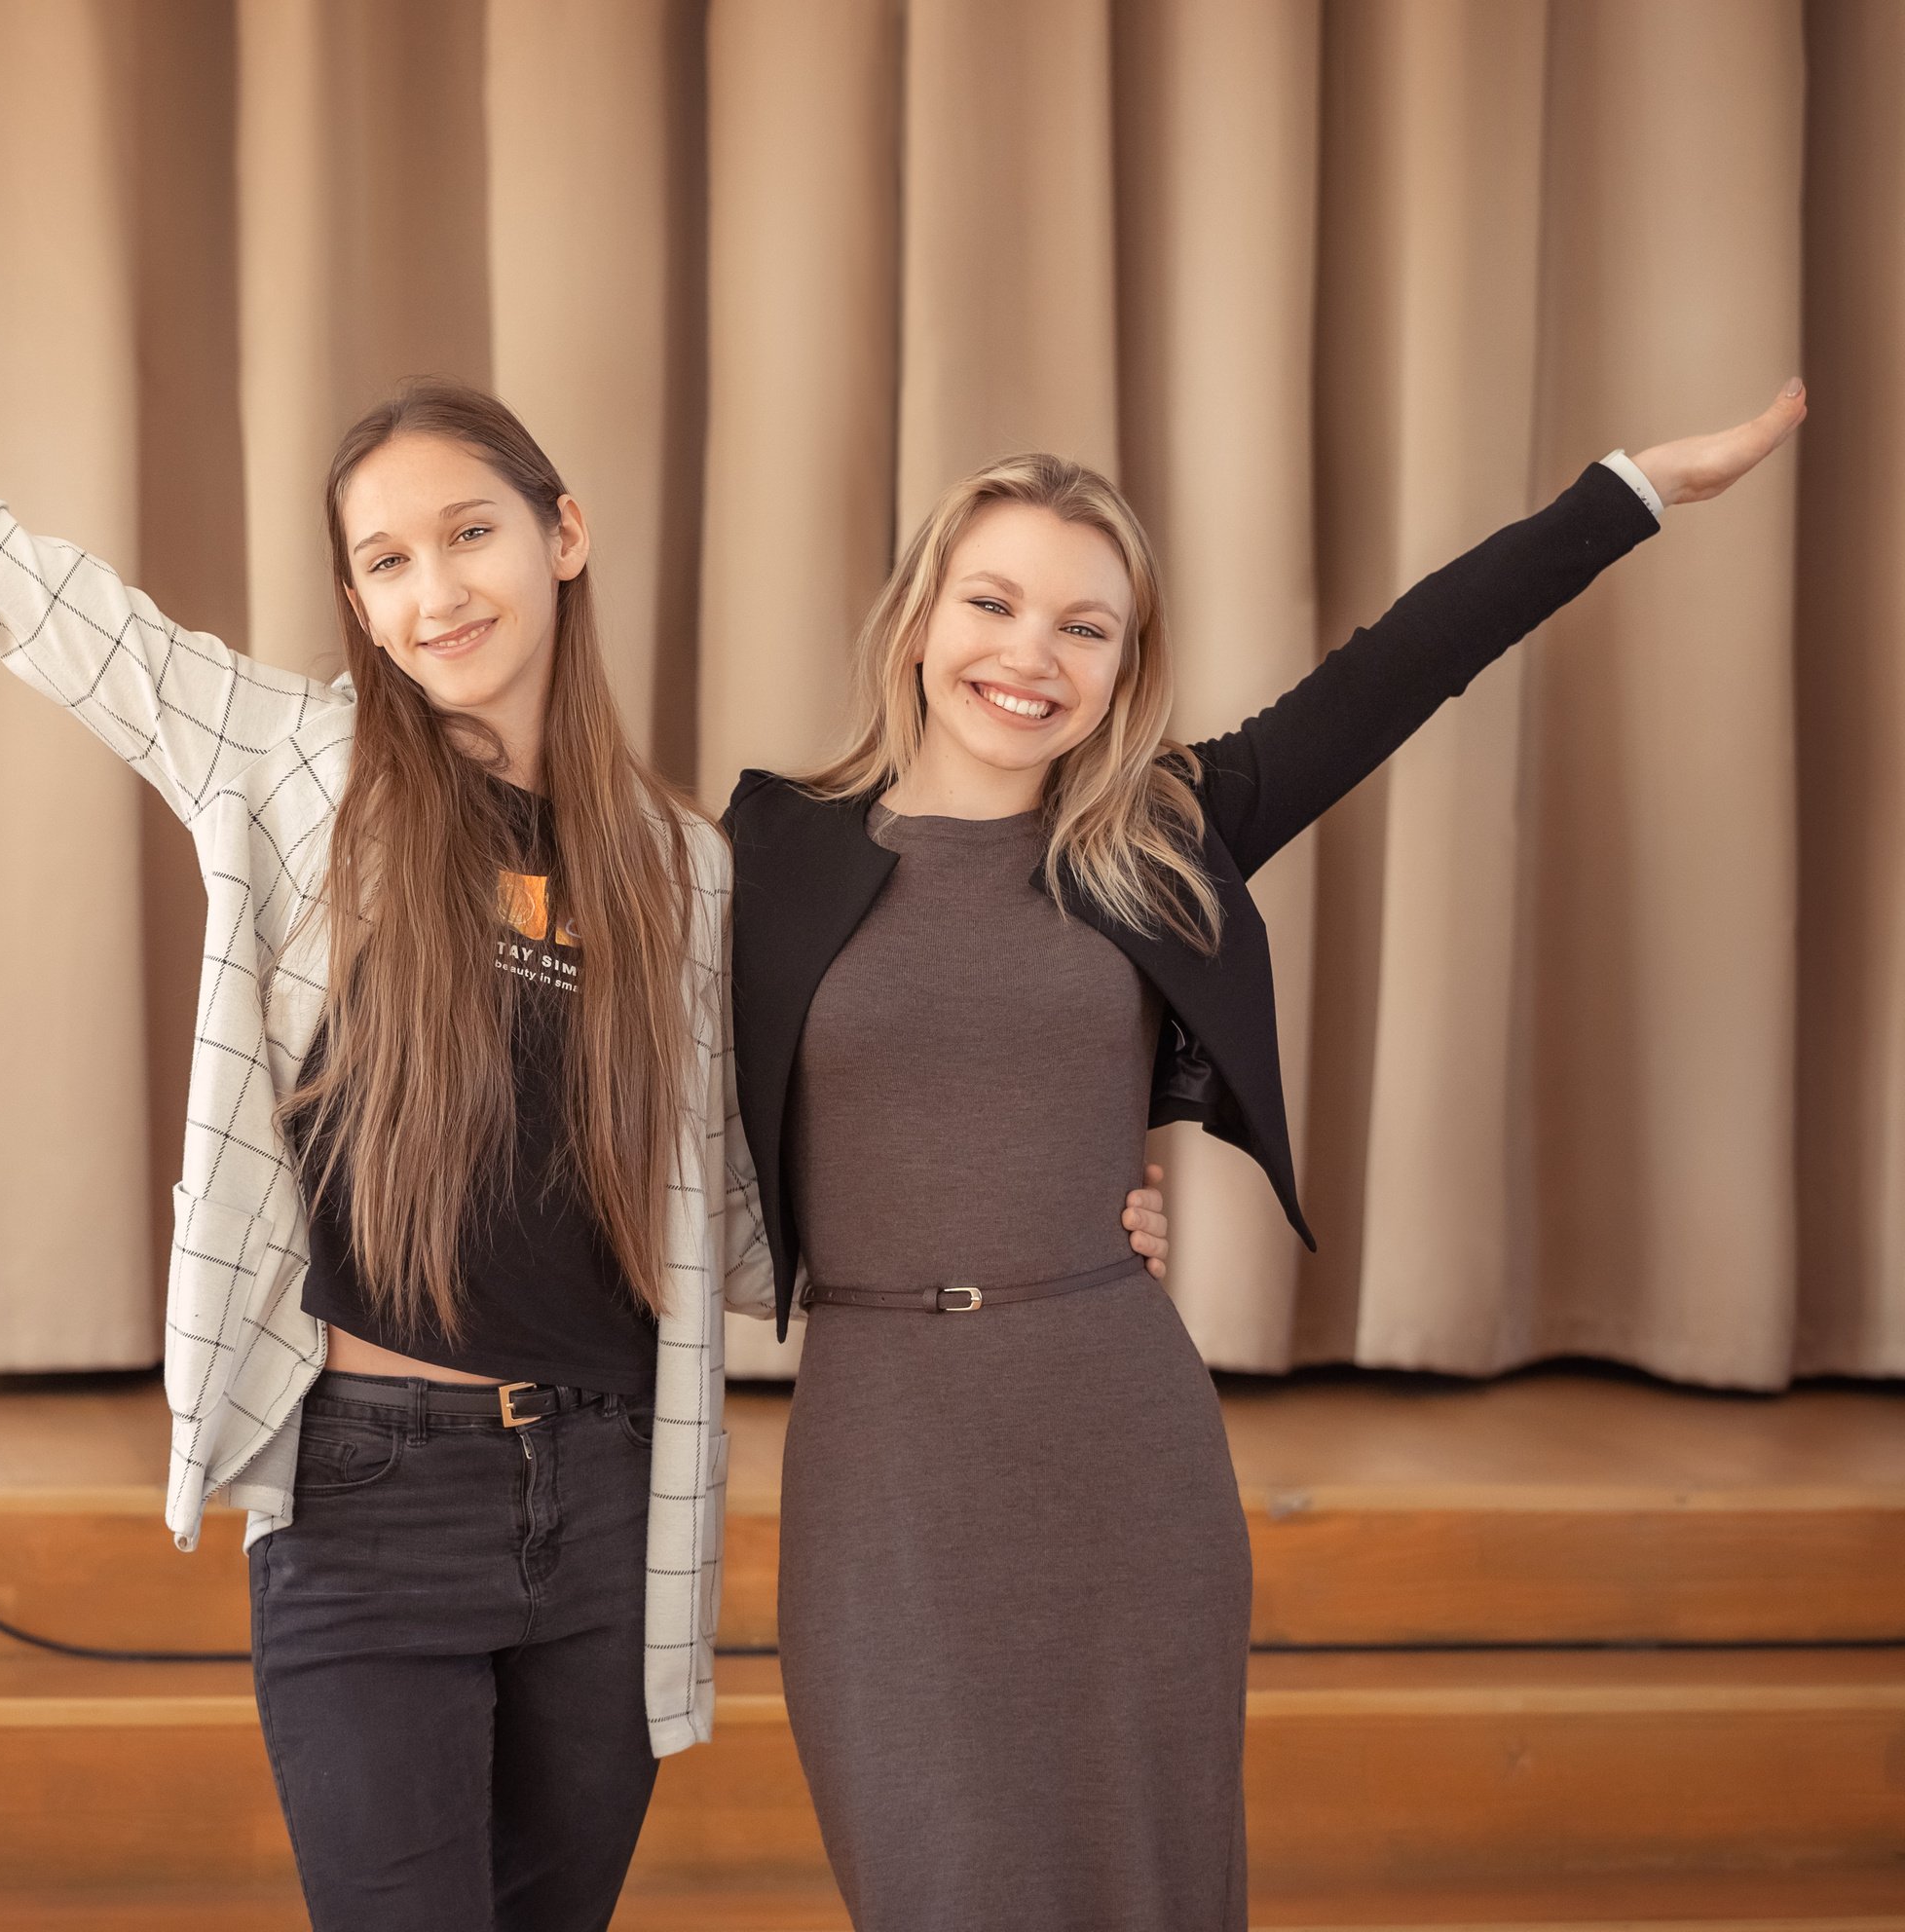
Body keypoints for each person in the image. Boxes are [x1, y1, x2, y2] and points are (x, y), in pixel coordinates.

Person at [0, 228, 1177, 1929]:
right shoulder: (290, 763)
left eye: (469, 534)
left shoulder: (684, 863)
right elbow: (3, 573)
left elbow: (752, 1204)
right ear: (355, 605)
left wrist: (1058, 1203)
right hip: (370, 1494)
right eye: (384, 562)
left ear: (563, 536)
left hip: (610, 1506)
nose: (435, 591)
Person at [721, 389, 1807, 1929]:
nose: (1030, 655)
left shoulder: (1160, 831)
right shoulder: (768, 846)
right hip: (882, 1452)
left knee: (1147, 1889)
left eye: (1084, 628)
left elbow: (1403, 667)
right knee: (932, 1879)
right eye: (995, 601)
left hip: (1116, 1432)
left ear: (1124, 668)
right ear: (915, 620)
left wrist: (1627, 492)